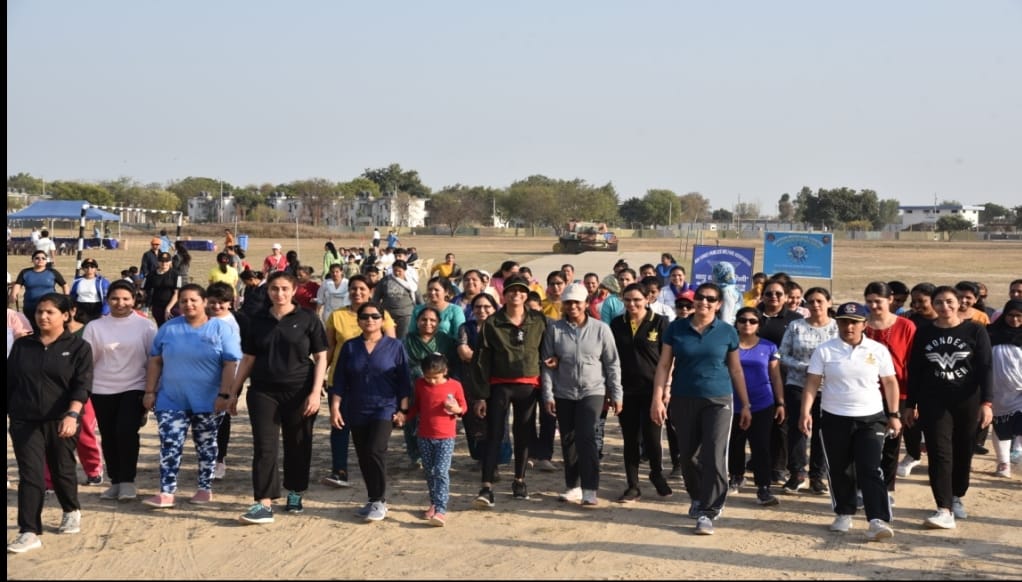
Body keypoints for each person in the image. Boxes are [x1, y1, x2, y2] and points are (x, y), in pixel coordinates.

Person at [652, 282, 752, 536]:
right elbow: (664, 366)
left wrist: (746, 404)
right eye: (700, 297)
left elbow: (736, 369)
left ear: (718, 305)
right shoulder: (676, 328)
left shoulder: (727, 332)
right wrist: (658, 397)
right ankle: (697, 497)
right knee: (688, 455)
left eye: (710, 299)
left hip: (718, 400)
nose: (703, 302)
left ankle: (709, 510)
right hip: (684, 398)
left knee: (715, 453)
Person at [228, 272, 328, 524]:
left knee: (298, 444)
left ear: (294, 290)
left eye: (284, 288)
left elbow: (321, 357)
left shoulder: (308, 319)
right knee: (264, 446)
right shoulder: (257, 320)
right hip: (263, 391)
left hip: (300, 392)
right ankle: (263, 503)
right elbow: (248, 358)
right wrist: (234, 391)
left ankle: (295, 492)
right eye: (274, 288)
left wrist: (316, 393)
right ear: (268, 290)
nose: (279, 294)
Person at [799, 302, 900, 542]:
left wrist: (894, 415)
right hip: (834, 417)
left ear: (864, 324)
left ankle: (877, 519)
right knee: (840, 469)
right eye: (844, 321)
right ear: (838, 323)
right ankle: (844, 512)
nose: (849, 327)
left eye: (854, 322)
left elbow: (890, 383)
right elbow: (812, 383)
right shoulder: (825, 350)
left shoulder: (878, 350)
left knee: (870, 468)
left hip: (871, 418)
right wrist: (805, 412)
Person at [6, 293, 93, 554]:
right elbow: (10, 380)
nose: (43, 316)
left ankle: (70, 508)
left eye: (50, 312)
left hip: (61, 419)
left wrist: (73, 414)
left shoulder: (78, 347)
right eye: (39, 312)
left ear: (66, 315)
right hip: (24, 420)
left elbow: (82, 385)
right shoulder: (23, 345)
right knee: (30, 475)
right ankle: (29, 531)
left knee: (62, 469)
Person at [141, 284, 241, 509]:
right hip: (171, 399)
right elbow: (155, 360)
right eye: (183, 301)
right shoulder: (168, 328)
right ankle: (166, 492)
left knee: (206, 444)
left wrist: (225, 394)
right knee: (170, 444)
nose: (188, 305)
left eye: (193, 300)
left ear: (204, 302)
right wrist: (149, 391)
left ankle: (204, 488)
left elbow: (230, 363)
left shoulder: (221, 329)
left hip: (208, 401)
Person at [905, 285, 993, 530]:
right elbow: (916, 371)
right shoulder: (924, 333)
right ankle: (943, 509)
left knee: (963, 450)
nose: (945, 307)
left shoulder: (975, 330)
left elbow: (986, 367)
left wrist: (987, 403)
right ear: (933, 305)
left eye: (949, 301)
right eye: (940, 302)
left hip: (967, 400)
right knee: (939, 452)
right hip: (934, 402)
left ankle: (956, 496)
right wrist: (910, 404)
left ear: (959, 303)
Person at [329, 302, 412, 522]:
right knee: (364, 454)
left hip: (384, 407)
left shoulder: (395, 346)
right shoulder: (350, 347)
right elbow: (339, 380)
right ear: (359, 321)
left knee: (376, 449)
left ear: (383, 320)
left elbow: (404, 381)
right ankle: (373, 498)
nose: (370, 320)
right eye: (365, 317)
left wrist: (403, 410)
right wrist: (335, 407)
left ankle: (380, 500)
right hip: (355, 407)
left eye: (375, 317)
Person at [542, 283, 623, 508]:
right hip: (564, 392)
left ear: (586, 304)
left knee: (586, 436)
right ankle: (573, 486)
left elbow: (612, 363)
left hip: (593, 391)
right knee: (568, 440)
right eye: (568, 302)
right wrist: (548, 395)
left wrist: (616, 393)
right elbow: (547, 365)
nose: (573, 306)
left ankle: (590, 488)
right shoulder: (555, 330)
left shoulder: (601, 329)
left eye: (577, 302)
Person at [471, 275, 548, 508]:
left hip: (529, 385)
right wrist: (480, 395)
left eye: (522, 291)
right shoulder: (493, 323)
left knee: (524, 433)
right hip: (500, 385)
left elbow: (547, 348)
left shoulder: (538, 320)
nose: (517, 294)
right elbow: (481, 360)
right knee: (494, 433)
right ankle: (486, 486)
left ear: (527, 294)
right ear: (504, 294)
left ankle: (520, 480)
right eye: (512, 290)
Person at [83, 280, 157, 502]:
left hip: (134, 387)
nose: (120, 303)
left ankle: (127, 481)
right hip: (102, 389)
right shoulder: (95, 327)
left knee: (126, 432)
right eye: (115, 298)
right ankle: (115, 481)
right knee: (109, 435)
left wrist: (151, 390)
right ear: (108, 300)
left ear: (134, 300)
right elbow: (87, 361)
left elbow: (153, 359)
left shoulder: (146, 326)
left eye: (126, 299)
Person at [322, 275, 397, 489]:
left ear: (370, 291)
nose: (357, 292)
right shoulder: (337, 316)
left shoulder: (382, 315)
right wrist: (320, 378)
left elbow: (392, 348)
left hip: (375, 384)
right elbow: (329, 348)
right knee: (339, 426)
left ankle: (374, 467)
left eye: (362, 288)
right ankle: (339, 470)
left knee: (371, 430)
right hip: (341, 380)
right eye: (353, 288)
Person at [609, 283, 672, 503]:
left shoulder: (660, 323)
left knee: (653, 437)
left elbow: (669, 360)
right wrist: (612, 390)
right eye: (627, 300)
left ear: (647, 299)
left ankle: (656, 472)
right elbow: (611, 359)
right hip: (626, 391)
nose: (632, 304)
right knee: (630, 439)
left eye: (637, 299)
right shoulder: (617, 324)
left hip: (653, 390)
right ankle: (633, 485)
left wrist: (666, 390)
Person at [777, 286, 837, 495]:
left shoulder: (836, 328)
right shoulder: (796, 326)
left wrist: (823, 370)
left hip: (828, 387)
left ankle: (817, 476)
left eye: (820, 301)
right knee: (797, 428)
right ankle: (797, 473)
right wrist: (806, 367)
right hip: (797, 383)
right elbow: (782, 355)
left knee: (823, 431)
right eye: (811, 301)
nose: (815, 305)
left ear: (829, 302)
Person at [863, 281, 917, 502]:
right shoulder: (861, 325)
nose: (874, 305)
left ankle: (886, 489)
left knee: (892, 442)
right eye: (869, 301)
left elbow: (913, 363)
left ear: (890, 300)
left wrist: (915, 400)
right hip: (865, 391)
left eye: (879, 301)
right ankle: (863, 486)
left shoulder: (906, 326)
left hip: (899, 392)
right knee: (866, 442)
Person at [729, 306, 785, 507]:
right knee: (735, 442)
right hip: (733, 402)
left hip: (763, 402)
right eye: (743, 320)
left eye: (752, 321)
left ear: (759, 324)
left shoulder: (769, 347)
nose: (747, 324)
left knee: (761, 445)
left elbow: (775, 376)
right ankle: (736, 475)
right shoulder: (729, 345)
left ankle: (763, 487)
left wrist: (780, 402)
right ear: (736, 322)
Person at [407, 353, 467, 526]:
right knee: (429, 472)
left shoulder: (455, 385)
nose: (431, 381)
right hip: (424, 435)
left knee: (441, 471)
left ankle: (441, 509)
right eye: (428, 377)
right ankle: (434, 502)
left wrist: (457, 408)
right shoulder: (419, 384)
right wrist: (404, 417)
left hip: (446, 437)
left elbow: (463, 407)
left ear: (445, 371)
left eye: (436, 377)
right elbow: (416, 406)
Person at [456, 292, 513, 468]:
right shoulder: (466, 328)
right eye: (478, 307)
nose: (482, 310)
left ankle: (498, 457)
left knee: (498, 418)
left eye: (487, 307)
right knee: (475, 419)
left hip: (497, 380)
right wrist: (487, 359)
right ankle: (481, 457)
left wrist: (480, 358)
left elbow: (506, 354)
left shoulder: (502, 327)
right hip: (471, 380)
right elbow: (463, 352)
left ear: (494, 308)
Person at [756, 278, 804, 484]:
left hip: (786, 377)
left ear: (785, 297)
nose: (773, 297)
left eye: (778, 294)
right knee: (759, 424)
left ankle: (779, 466)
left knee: (782, 424)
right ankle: (758, 462)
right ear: (762, 296)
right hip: (755, 377)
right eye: (769, 293)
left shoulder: (794, 320)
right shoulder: (752, 316)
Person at [403, 307, 458, 469]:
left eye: (433, 320)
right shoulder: (408, 340)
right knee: (412, 421)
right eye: (424, 319)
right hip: (413, 386)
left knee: (435, 421)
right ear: (417, 321)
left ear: (439, 323)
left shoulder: (445, 341)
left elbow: (452, 364)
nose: (428, 323)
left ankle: (438, 455)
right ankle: (416, 455)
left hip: (439, 389)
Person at [206, 282, 241, 481]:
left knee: (221, 418)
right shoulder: (202, 320)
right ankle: (207, 457)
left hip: (227, 377)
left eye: (222, 303)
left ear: (230, 303)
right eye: (213, 302)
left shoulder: (235, 323)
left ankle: (220, 459)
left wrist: (232, 387)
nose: (217, 306)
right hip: (203, 377)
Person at [987, 299, 1022, 478]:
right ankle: (1003, 463)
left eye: (1019, 316)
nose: (1014, 320)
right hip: (997, 391)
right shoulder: (991, 333)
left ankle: (1018, 452)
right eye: (1011, 315)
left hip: (1020, 392)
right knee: (1001, 427)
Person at [10, 251, 69, 331]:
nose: (40, 260)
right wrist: (13, 295)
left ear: (46, 260)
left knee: (47, 327)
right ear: (32, 260)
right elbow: (17, 285)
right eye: (37, 258)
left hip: (48, 307)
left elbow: (64, 285)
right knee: (30, 329)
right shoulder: (25, 272)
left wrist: (66, 297)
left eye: (43, 258)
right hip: (30, 306)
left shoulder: (52, 272)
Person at [372, 259, 421, 339]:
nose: (397, 273)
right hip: (388, 314)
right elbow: (377, 296)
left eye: (399, 271)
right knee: (388, 338)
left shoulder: (411, 282)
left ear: (405, 270)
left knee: (403, 338)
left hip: (406, 315)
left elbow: (418, 296)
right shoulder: (385, 280)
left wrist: (422, 310)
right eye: (395, 270)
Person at [142, 251, 181, 327]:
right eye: (161, 261)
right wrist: (145, 306)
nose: (164, 263)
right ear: (158, 261)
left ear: (170, 262)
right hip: (157, 307)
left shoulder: (176, 275)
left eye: (166, 261)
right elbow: (143, 290)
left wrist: (168, 308)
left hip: (173, 307)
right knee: (161, 327)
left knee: (173, 328)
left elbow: (177, 293)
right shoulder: (151, 275)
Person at [69, 258, 111, 323]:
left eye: (92, 266)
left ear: (96, 269)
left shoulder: (102, 282)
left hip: (95, 308)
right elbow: (72, 296)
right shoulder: (77, 281)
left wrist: (104, 313)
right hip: (80, 308)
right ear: (82, 268)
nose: (89, 269)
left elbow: (107, 299)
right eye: (86, 266)